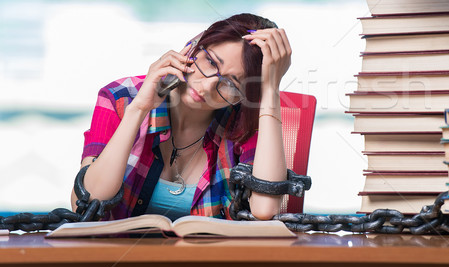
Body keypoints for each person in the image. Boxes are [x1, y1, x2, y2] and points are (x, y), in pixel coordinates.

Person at [70, 13, 292, 221]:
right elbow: (86, 203)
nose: (206, 86)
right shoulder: (121, 97)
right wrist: (138, 109)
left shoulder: (244, 121)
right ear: (192, 46)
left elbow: (265, 209)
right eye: (211, 62)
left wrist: (270, 88)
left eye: (230, 84)